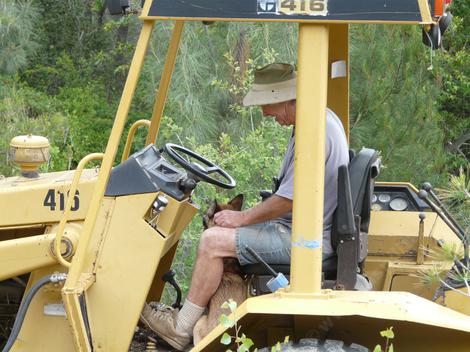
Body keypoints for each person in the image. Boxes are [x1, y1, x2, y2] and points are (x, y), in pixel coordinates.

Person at [140, 63, 350, 350]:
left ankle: (181, 328)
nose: (264, 113)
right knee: (223, 233)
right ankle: (204, 320)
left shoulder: (315, 130)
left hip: (307, 238)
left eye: (267, 104)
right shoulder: (316, 121)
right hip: (302, 227)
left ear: (286, 97)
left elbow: (289, 199)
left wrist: (243, 218)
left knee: (212, 240)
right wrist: (247, 218)